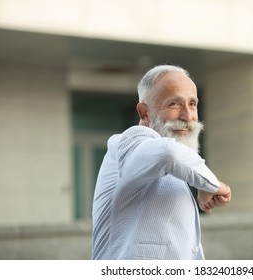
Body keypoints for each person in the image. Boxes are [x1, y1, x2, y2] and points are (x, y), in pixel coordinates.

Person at [91, 64, 231, 260]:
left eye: (192, 104)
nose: (188, 116)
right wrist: (213, 184)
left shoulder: (175, 168)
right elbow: (168, 154)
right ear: (144, 113)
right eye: (174, 104)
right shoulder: (130, 141)